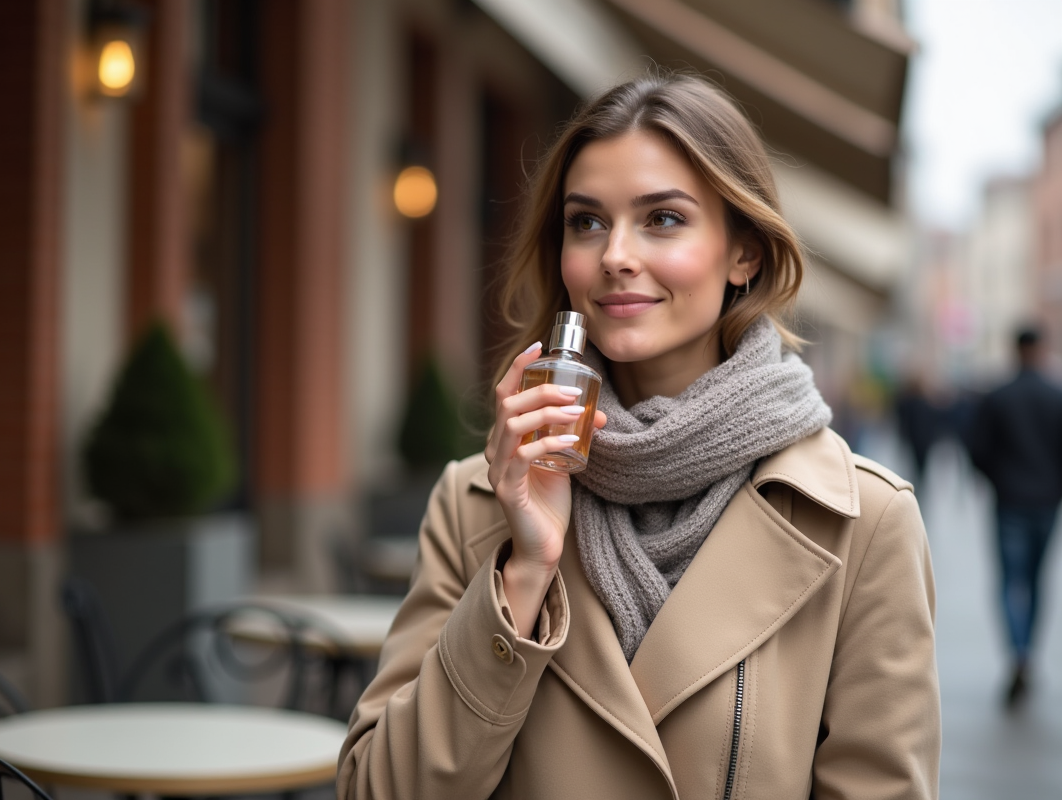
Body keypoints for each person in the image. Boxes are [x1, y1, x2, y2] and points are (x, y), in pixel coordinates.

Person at [338, 73, 939, 800]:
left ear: (743, 253)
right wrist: (523, 574)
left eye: (662, 220)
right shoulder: (475, 504)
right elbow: (378, 790)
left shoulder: (864, 525)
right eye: (587, 222)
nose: (615, 254)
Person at [967, 325, 1062, 708]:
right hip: (1046, 502)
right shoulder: (1056, 396)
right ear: (1040, 349)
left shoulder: (998, 397)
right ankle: (1029, 654)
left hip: (1009, 500)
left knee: (1010, 581)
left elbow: (976, 449)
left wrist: (998, 479)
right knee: (1038, 581)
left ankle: (1017, 652)